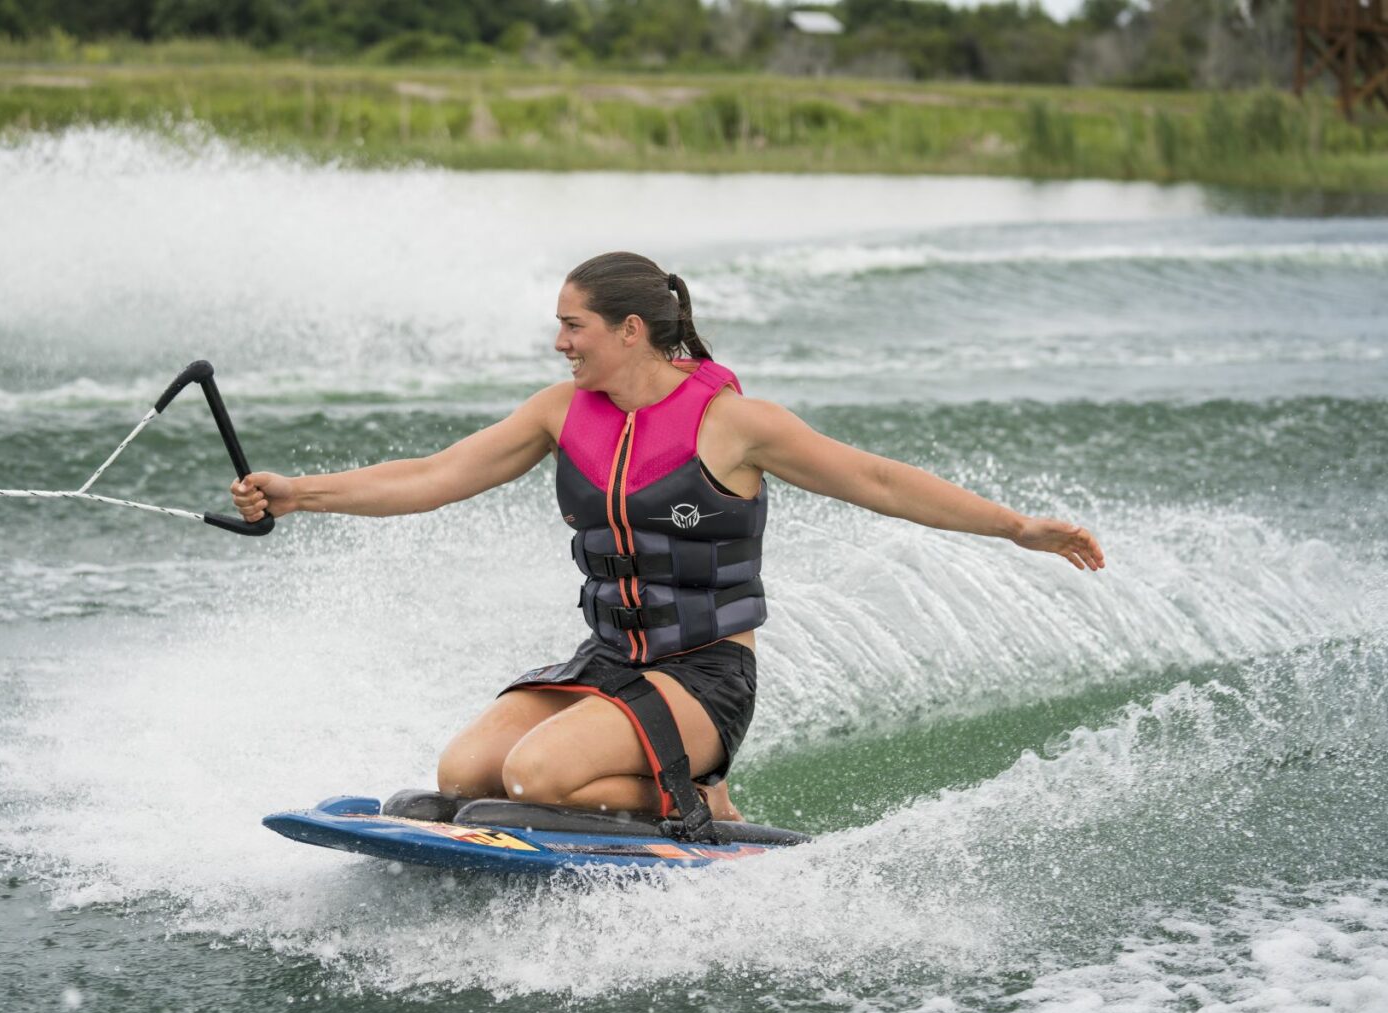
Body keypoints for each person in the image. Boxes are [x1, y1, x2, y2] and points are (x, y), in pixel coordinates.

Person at [231, 251, 1104, 830]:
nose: (559, 341)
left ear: (630, 331)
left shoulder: (733, 424)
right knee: (463, 777)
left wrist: (1016, 526)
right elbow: (433, 475)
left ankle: (697, 797)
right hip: (607, 659)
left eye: (574, 324)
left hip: (702, 675)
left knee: (533, 781)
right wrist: (299, 495)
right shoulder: (558, 412)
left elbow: (876, 479)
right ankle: (669, 788)